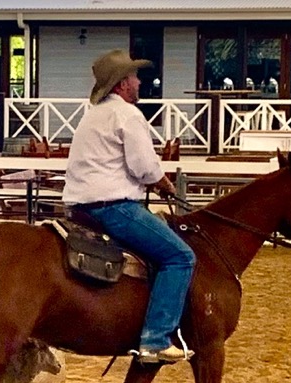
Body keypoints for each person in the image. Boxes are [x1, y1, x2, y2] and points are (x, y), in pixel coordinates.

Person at [62, 50, 197, 364]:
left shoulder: (92, 114)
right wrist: (163, 183)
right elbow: (144, 167)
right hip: (114, 208)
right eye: (135, 77)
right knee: (180, 257)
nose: (139, 81)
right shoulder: (128, 115)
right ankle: (156, 338)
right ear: (123, 84)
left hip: (81, 206)